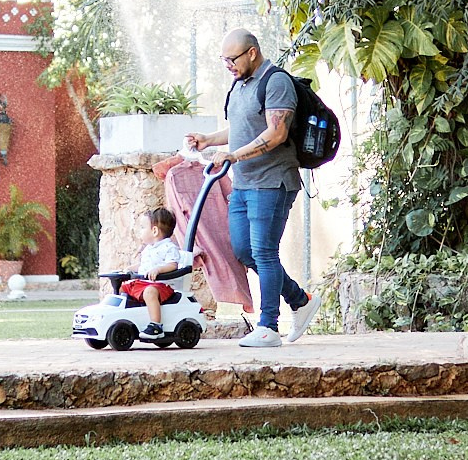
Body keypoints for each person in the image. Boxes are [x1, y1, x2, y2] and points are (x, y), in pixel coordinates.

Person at [186, 28, 319, 347]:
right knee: (245, 251)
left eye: (231, 59)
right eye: (223, 60)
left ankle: (268, 326)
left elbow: (276, 134)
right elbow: (243, 128)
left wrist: (233, 154)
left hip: (273, 182)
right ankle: (300, 301)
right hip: (244, 182)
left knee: (263, 251)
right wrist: (210, 139)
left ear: (252, 53)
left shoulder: (276, 82)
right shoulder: (241, 85)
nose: (227, 65)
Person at [117, 207, 184, 341]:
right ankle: (127, 316)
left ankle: (156, 326)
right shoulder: (149, 249)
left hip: (161, 286)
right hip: (143, 283)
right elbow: (144, 267)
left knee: (149, 292)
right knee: (122, 287)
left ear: (154, 231)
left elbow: (173, 265)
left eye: (142, 227)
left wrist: (158, 269)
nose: (140, 231)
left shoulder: (169, 247)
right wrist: (131, 269)